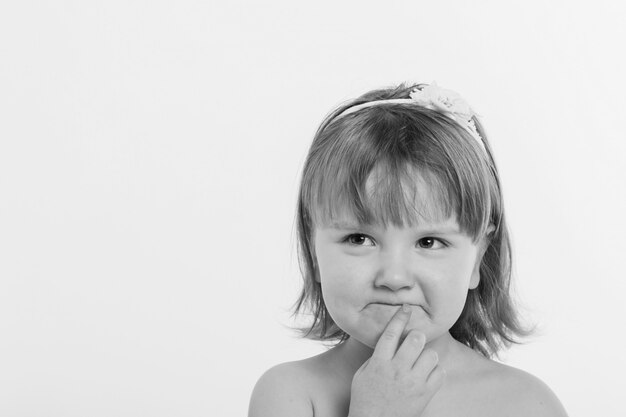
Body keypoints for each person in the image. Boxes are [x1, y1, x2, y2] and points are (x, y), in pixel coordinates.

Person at [248, 82, 569, 417]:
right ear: (313, 253)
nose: (394, 277)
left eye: (429, 242)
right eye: (359, 238)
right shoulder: (292, 393)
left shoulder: (524, 403)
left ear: (478, 258)